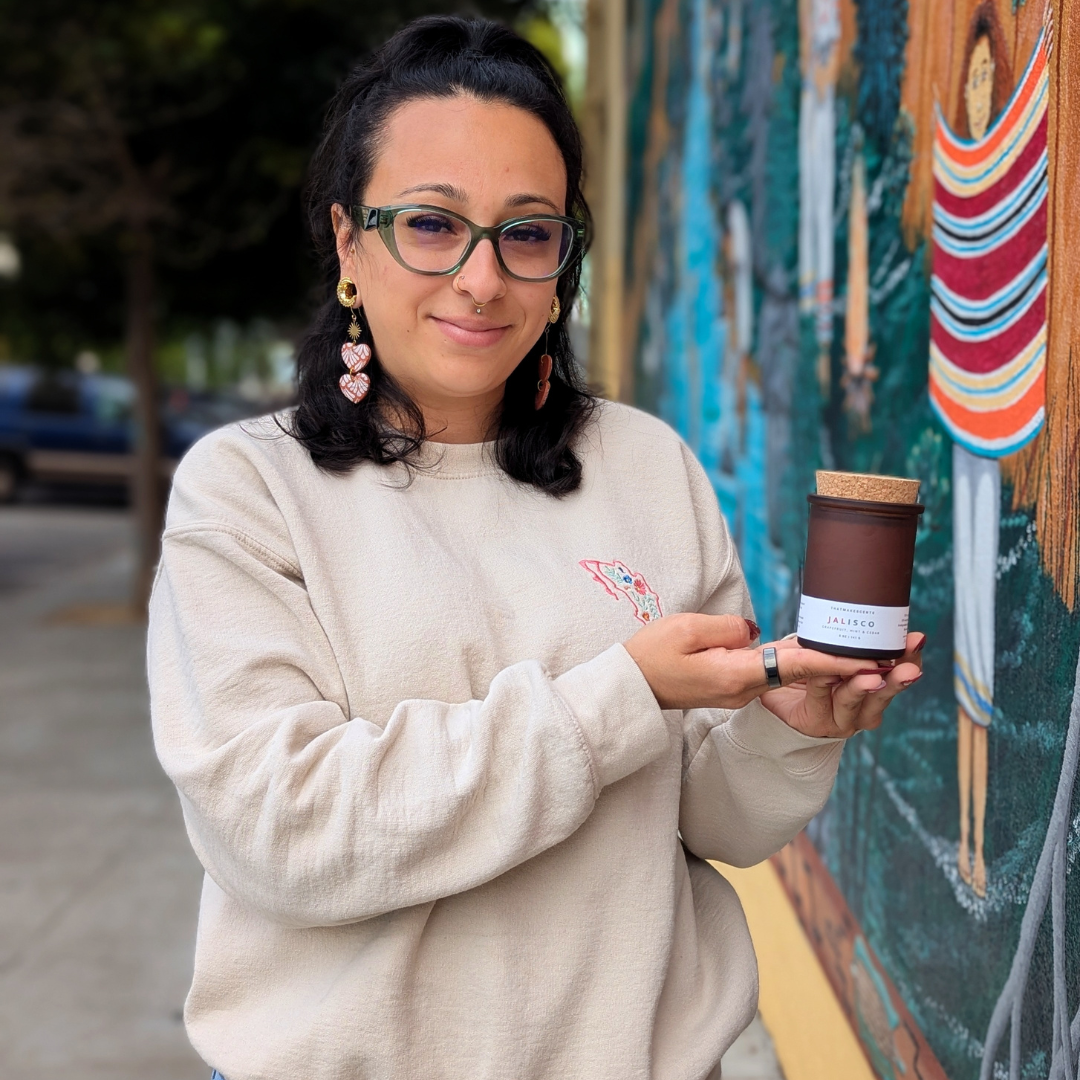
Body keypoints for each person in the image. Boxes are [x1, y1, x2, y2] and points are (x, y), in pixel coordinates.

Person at [149, 17, 924, 1080]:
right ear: (348, 241)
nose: (482, 278)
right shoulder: (249, 493)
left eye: (527, 233)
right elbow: (280, 835)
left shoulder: (648, 467)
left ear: (564, 263)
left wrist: (787, 733)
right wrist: (619, 698)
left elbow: (707, 820)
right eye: (431, 224)